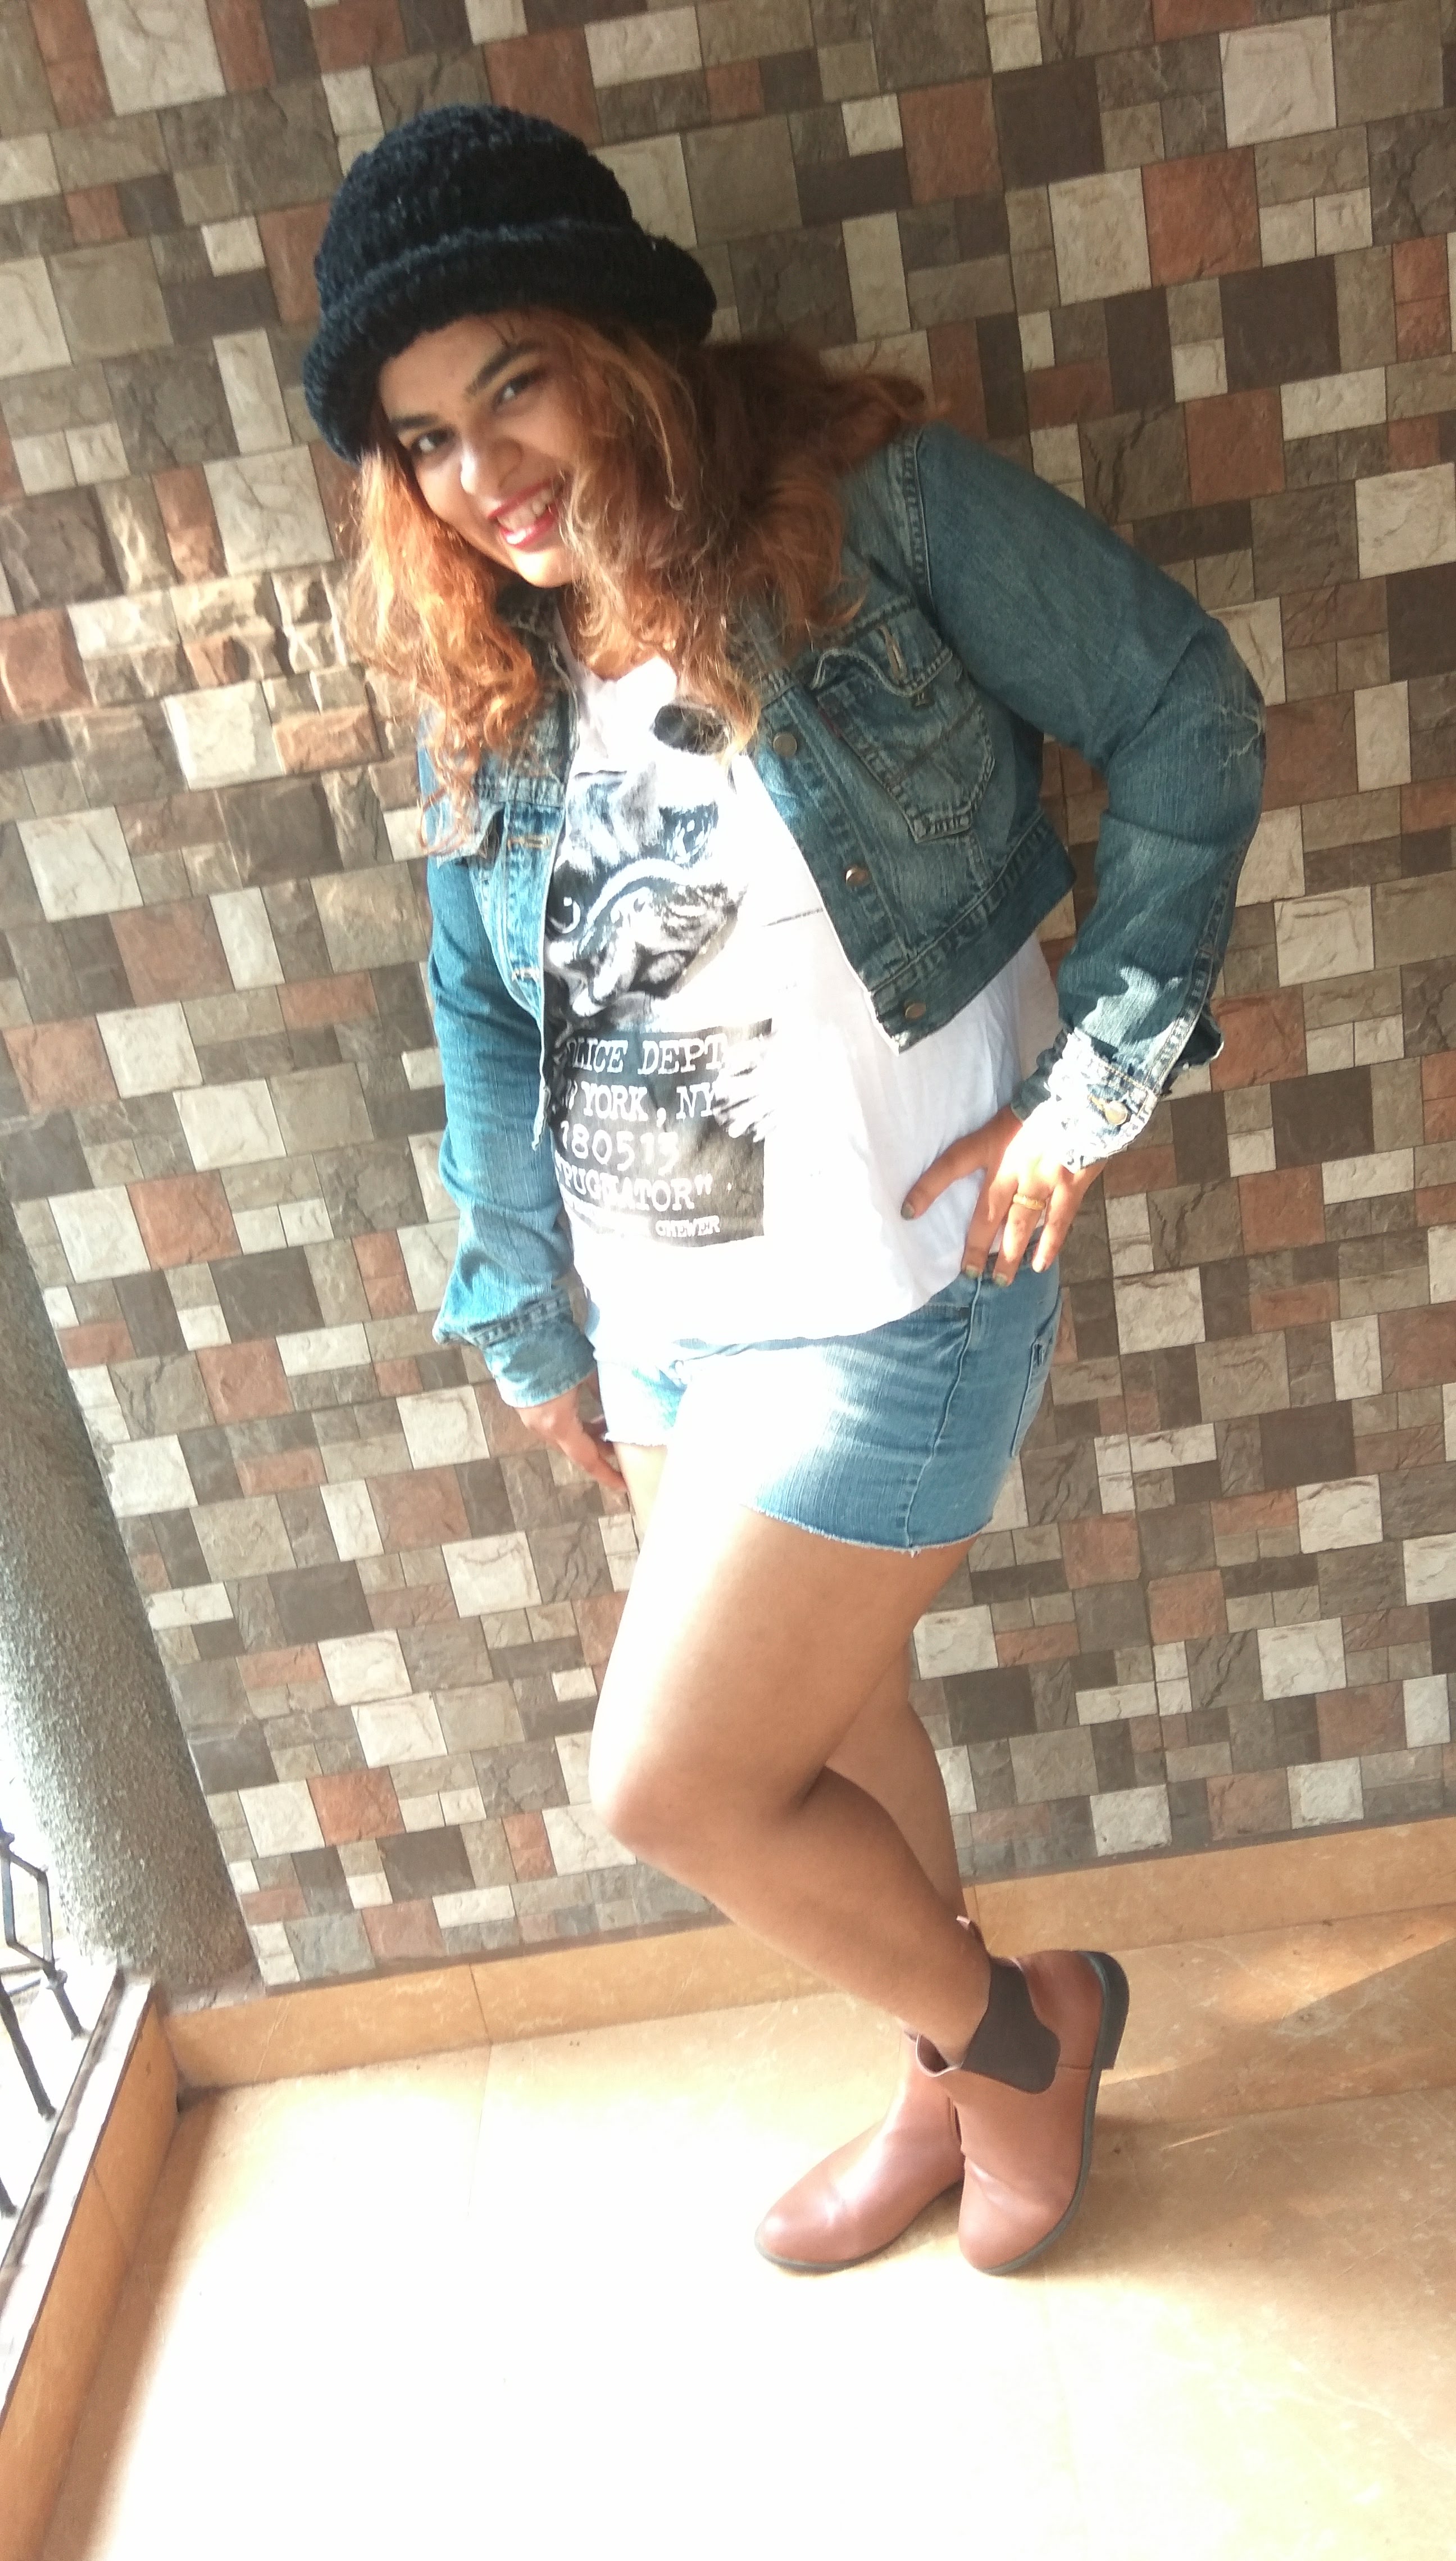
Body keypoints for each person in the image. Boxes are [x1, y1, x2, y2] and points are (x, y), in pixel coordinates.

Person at [303, 104, 1265, 2277]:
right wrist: (529, 1315)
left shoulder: (867, 509)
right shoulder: (498, 669)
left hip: (901, 1281)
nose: (484, 474)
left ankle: (1021, 2042)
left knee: (676, 1785)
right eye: (426, 440)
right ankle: (945, 2073)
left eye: (513, 386)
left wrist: (1090, 1087)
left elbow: (1184, 712)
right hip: (661, 1313)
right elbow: (488, 1007)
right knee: (834, 1726)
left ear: (620, 342)